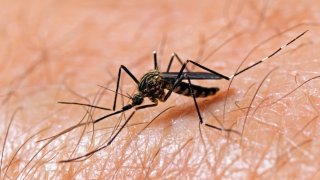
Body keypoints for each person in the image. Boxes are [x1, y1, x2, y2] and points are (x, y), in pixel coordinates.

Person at [0, 0, 319, 179]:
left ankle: (209, 115)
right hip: (167, 82)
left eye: (135, 101)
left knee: (182, 64)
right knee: (158, 70)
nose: (135, 103)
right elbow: (138, 99)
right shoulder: (142, 92)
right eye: (136, 100)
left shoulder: (154, 91)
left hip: (185, 85)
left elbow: (154, 91)